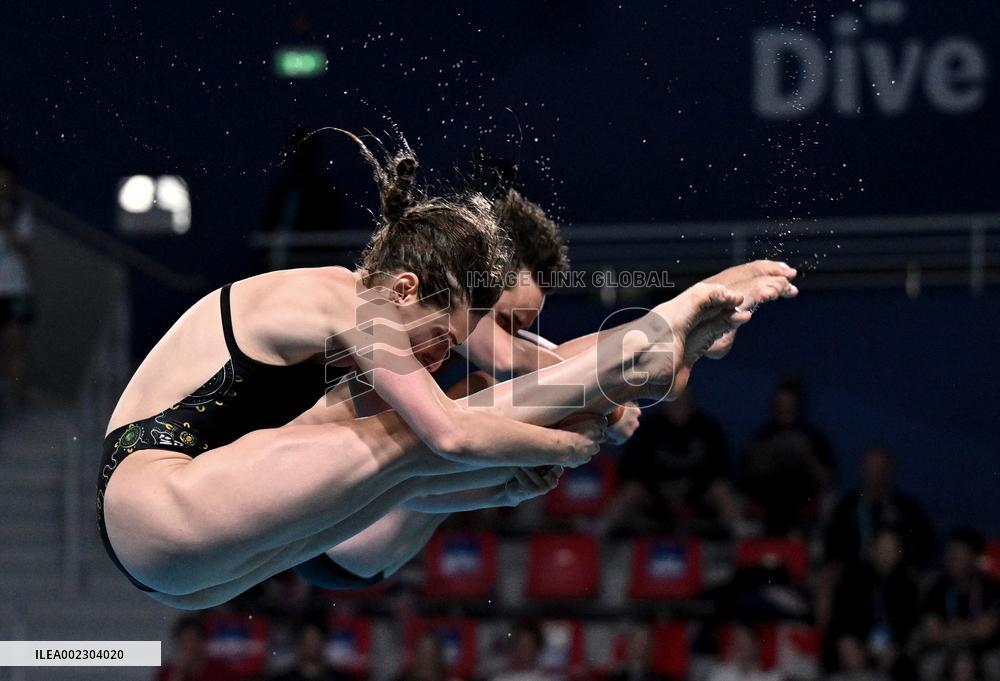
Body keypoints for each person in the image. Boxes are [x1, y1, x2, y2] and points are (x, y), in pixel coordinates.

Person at [98, 133, 795, 610]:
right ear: (403, 289)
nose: (438, 353)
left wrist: (520, 466)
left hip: (204, 555)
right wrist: (572, 442)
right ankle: (654, 341)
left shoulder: (391, 305)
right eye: (441, 334)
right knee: (415, 435)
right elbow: (454, 432)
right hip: (154, 502)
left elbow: (523, 371)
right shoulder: (349, 302)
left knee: (416, 452)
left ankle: (656, 345)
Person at [598, 389, 739, 535]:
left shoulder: (708, 428)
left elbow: (719, 466)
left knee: (721, 490)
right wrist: (661, 487)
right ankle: (596, 537)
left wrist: (690, 486)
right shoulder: (649, 429)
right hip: (655, 491)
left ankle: (744, 540)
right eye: (675, 402)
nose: (679, 406)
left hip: (697, 491)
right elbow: (633, 467)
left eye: (683, 402)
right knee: (631, 491)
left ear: (692, 404)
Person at [741, 377, 834, 533]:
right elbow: (746, 475)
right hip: (769, 499)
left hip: (803, 497)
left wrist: (806, 455)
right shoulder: (764, 437)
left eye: (790, 401)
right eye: (782, 401)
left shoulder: (811, 438)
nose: (785, 406)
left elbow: (827, 479)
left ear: (798, 403)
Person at [826, 528, 920, 680]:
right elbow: (843, 619)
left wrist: (896, 648)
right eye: (882, 548)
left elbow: (909, 623)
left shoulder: (907, 585)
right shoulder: (854, 579)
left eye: (891, 549)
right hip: (860, 645)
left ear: (899, 553)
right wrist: (862, 645)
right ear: (872, 550)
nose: (886, 554)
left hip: (893, 650)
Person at [919, 528, 1000, 681]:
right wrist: (971, 628)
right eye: (950, 553)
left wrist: (952, 628)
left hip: (984, 650)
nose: (952, 559)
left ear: (975, 557)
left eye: (959, 554)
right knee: (929, 665)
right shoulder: (937, 588)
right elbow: (934, 633)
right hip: (948, 648)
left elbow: (986, 630)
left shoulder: (990, 587)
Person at [0, 157, 34, 411]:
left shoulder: (20, 211)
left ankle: (17, 398)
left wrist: (7, 224)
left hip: (16, 290)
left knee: (16, 346)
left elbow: (25, 249)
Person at [155, 616, 236, 681]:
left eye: (192, 640)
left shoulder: (219, 668)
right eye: (184, 641)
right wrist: (179, 670)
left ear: (202, 641)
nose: (189, 646)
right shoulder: (167, 671)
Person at [268, 620, 344, 681]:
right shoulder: (284, 678)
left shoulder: (336, 678)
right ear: (299, 644)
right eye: (308, 641)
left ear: (323, 643)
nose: (312, 646)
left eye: (315, 641)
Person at [706, 623, 783, 681]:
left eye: (744, 642)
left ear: (756, 644)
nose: (739, 646)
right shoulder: (721, 673)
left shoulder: (772, 677)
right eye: (736, 640)